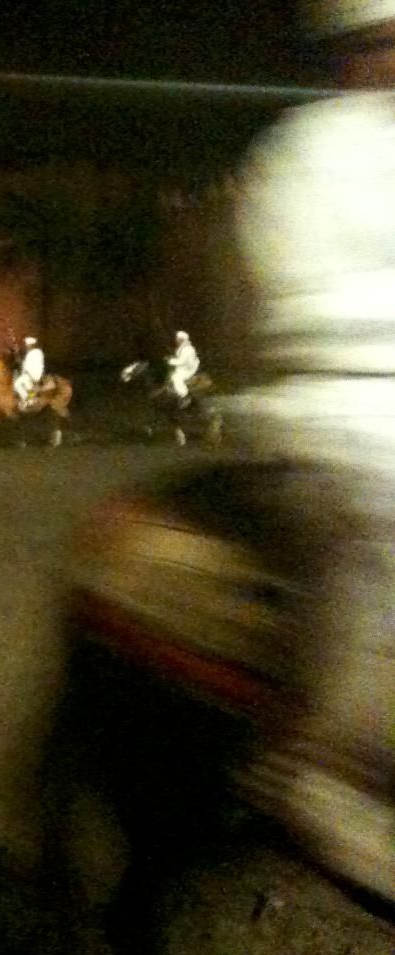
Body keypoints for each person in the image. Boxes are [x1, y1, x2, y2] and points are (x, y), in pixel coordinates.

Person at [230, 0, 395, 893]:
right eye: (382, 44)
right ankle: (324, 773)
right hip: (336, 409)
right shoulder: (301, 157)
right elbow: (296, 306)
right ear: (351, 52)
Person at [166, 329, 200, 405]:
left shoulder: (187, 349)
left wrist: (170, 361)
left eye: (178, 339)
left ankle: (185, 396)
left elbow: (182, 362)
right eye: (177, 339)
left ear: (182, 340)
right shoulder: (183, 347)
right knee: (173, 375)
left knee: (177, 378)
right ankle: (177, 389)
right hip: (186, 366)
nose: (176, 340)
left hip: (189, 368)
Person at [14, 335, 44, 407]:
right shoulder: (35, 352)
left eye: (27, 344)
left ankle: (28, 399)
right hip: (30, 373)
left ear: (31, 345)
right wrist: (17, 354)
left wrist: (18, 357)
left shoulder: (34, 353)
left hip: (33, 374)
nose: (26, 346)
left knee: (17, 384)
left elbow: (25, 364)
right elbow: (24, 363)